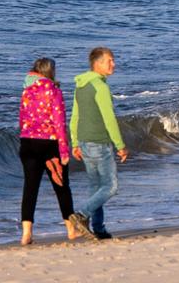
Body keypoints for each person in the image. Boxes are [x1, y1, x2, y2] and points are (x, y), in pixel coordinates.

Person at [69, 47, 129, 240]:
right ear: (98, 63)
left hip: (85, 142)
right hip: (99, 143)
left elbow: (75, 117)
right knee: (110, 187)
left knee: (96, 188)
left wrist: (75, 143)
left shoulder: (81, 85)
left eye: (113, 60)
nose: (113, 64)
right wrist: (120, 145)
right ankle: (81, 214)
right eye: (109, 60)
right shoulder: (100, 87)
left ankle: (98, 228)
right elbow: (109, 118)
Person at [18, 57, 77, 245]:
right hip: (49, 144)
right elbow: (59, 123)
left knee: (30, 188)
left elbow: (22, 119)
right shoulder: (54, 91)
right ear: (50, 71)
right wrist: (64, 151)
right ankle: (71, 229)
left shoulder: (26, 91)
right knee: (61, 187)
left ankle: (26, 233)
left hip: (27, 142)